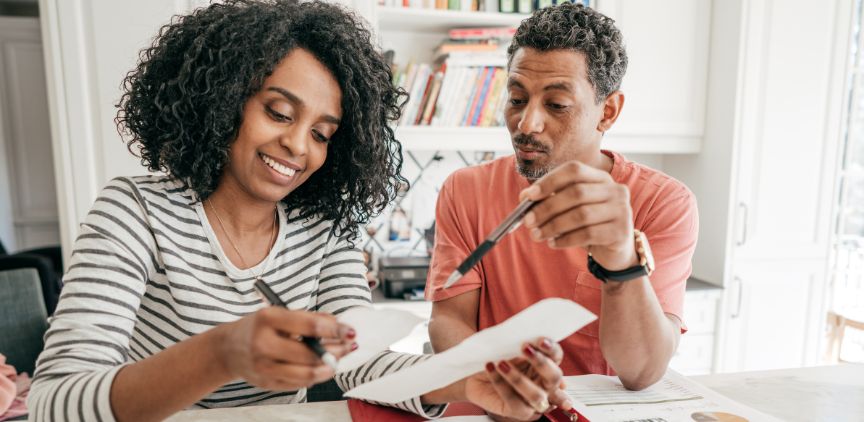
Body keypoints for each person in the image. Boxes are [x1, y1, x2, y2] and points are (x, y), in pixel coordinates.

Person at [26, 1, 573, 420]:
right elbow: (53, 401)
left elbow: (363, 366)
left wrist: (464, 380)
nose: (298, 146)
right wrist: (222, 353)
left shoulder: (323, 230)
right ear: (223, 99)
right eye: (279, 112)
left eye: (322, 133)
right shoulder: (135, 212)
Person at [426, 1, 699, 397]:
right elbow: (448, 320)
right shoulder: (465, 190)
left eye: (556, 105)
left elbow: (641, 371)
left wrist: (620, 258)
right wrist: (497, 382)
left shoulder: (664, 203)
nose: (527, 123)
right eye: (517, 99)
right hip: (499, 407)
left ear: (608, 111)